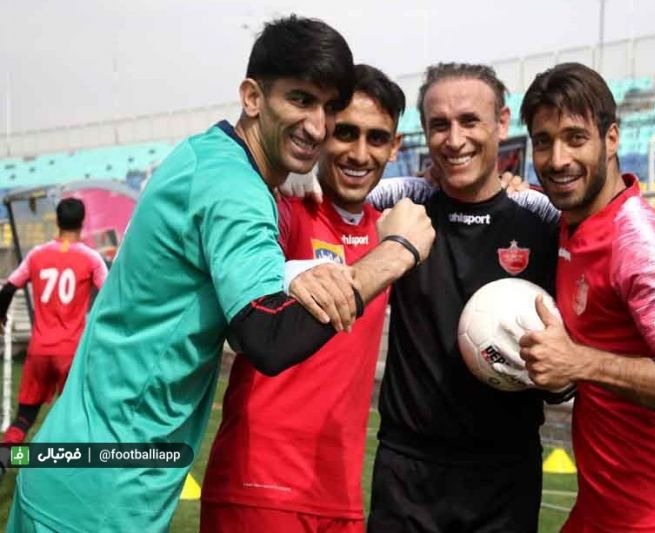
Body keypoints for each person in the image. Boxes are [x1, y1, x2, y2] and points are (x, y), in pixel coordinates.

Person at [7, 16, 434, 533]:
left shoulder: (209, 157)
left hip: (87, 466)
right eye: (300, 100)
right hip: (101, 491)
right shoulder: (234, 187)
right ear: (252, 97)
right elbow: (267, 337)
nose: (317, 126)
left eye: (328, 108)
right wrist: (393, 255)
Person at [200, 64, 405, 533]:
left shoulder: (391, 232)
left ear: (394, 147)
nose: (359, 153)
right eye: (345, 132)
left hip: (340, 495)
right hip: (259, 490)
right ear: (322, 130)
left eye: (376, 138)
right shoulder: (282, 210)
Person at [517, 62, 655, 532]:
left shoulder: (638, 242)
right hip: (601, 509)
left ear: (611, 139)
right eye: (543, 142)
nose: (558, 159)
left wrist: (577, 362)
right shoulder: (573, 218)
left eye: (575, 138)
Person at [366, 63, 567, 533]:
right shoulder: (401, 212)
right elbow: (331, 189)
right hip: (407, 473)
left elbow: (564, 367)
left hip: (505, 478)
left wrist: (561, 374)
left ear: (502, 123)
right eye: (440, 125)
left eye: (470, 121)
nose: (454, 140)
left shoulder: (543, 225)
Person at [0, 199, 107, 461]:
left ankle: (4, 461)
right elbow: (110, 295)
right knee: (78, 416)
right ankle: (68, 469)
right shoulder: (91, 258)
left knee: (24, 416)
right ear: (82, 223)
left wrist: (0, 316)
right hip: (71, 353)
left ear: (57, 221)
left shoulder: (37, 255)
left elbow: (9, 287)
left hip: (39, 350)